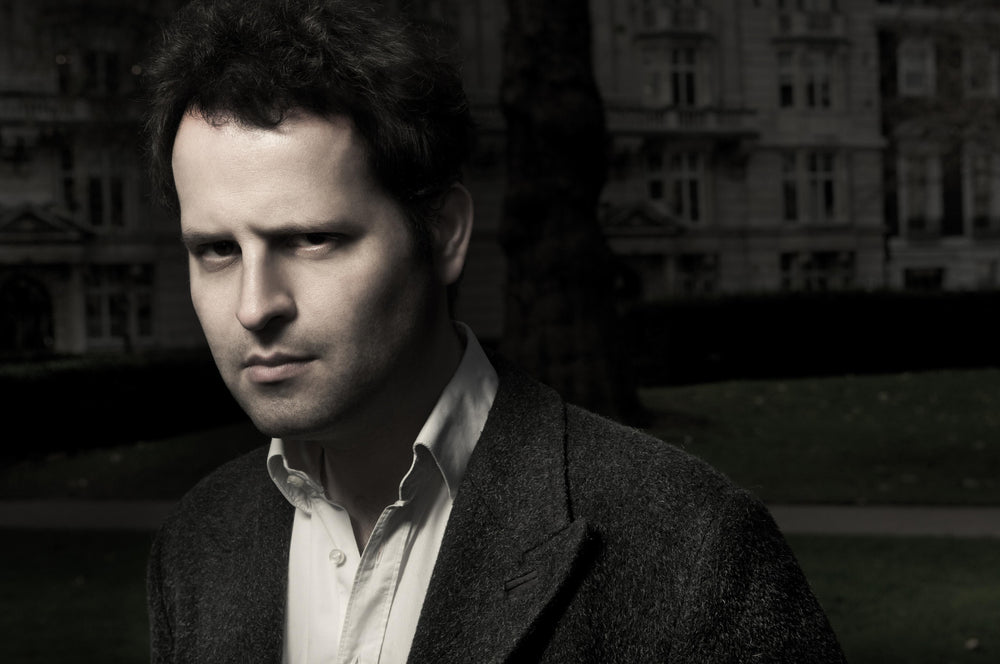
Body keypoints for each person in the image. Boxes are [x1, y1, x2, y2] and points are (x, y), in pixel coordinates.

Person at [144, 0, 846, 662]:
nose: (254, 306)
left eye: (311, 239)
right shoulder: (198, 541)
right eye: (217, 250)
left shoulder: (690, 545)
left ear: (445, 234)